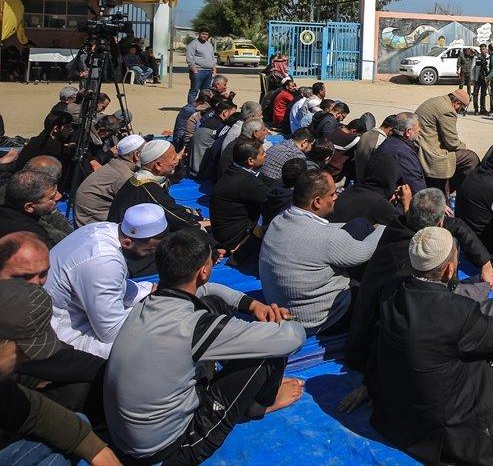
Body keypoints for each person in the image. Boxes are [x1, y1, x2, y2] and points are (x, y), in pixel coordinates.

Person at [104, 226, 306, 464]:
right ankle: (260, 405)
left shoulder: (147, 303)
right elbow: (293, 337)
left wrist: (252, 306)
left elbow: (208, 291)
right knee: (268, 353)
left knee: (211, 303)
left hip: (127, 437)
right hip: (172, 447)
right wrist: (278, 317)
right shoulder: (194, 327)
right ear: (203, 271)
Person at [368, 226, 493, 466]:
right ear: (449, 269)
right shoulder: (457, 313)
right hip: (442, 428)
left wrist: (369, 384)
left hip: (397, 415)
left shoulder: (391, 289)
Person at [0, 279, 120, 465]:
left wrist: (99, 452)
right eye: (22, 352)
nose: (28, 360)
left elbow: (36, 411)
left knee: (76, 429)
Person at [0, 233, 107, 418]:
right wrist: (109, 370)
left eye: (43, 274)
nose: (36, 284)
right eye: (23, 277)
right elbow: (54, 359)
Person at [344, 188, 493, 373]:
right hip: (378, 346)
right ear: (438, 223)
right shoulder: (413, 258)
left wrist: (485, 262)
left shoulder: (400, 224)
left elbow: (456, 225)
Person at [259, 171, 385, 334]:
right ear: (317, 202)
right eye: (332, 194)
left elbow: (324, 231)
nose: (336, 197)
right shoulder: (328, 239)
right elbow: (365, 251)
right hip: (321, 320)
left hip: (282, 306)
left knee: (360, 225)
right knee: (377, 291)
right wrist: (383, 228)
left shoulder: (279, 220)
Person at [45, 204, 167, 357]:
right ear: (128, 243)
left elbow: (117, 286)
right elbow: (111, 332)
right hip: (65, 335)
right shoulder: (103, 261)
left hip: (84, 312)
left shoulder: (106, 229)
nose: (150, 255)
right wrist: (153, 309)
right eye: (148, 250)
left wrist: (149, 293)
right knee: (156, 338)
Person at [0, 157, 71, 253]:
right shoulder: (18, 210)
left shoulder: (19, 193)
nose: (59, 196)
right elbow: (64, 241)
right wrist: (52, 208)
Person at [108, 139, 205, 244]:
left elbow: (175, 177)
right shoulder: (148, 188)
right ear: (158, 165)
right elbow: (178, 218)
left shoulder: (141, 177)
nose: (177, 160)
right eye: (173, 158)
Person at [210, 137, 270, 266]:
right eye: (262, 153)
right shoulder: (247, 182)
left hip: (223, 232)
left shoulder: (234, 171)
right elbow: (273, 201)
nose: (265, 155)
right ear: (250, 161)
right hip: (234, 238)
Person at [73, 133, 144, 227]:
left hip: (85, 218)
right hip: (93, 226)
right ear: (137, 155)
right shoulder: (124, 176)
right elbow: (137, 205)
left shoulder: (115, 164)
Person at [415, 89, 479, 193]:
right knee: (471, 158)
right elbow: (452, 143)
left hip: (421, 143)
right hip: (428, 151)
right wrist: (464, 146)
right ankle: (460, 193)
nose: (459, 112)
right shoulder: (447, 110)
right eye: (461, 109)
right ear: (457, 103)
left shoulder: (438, 100)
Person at [188, 99, 236, 179]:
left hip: (192, 167)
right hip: (202, 172)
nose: (233, 117)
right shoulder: (219, 127)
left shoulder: (208, 120)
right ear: (225, 113)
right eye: (232, 114)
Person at [352, 115, 390, 185]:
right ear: (391, 129)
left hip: (358, 176)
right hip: (368, 181)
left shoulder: (366, 134)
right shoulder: (381, 141)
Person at [184, 29, 217, 104]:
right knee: (194, 90)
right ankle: (190, 106)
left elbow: (212, 57)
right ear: (199, 34)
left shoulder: (209, 45)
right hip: (198, 71)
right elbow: (189, 58)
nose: (204, 36)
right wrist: (194, 70)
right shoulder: (193, 44)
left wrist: (214, 69)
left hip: (208, 71)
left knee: (205, 91)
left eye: (206, 34)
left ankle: (202, 106)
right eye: (203, 34)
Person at [471, 43, 490, 116]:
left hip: (484, 78)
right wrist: (472, 79)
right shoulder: (476, 57)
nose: (482, 51)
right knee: (475, 94)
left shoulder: (488, 57)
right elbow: (472, 68)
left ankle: (483, 108)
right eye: (481, 49)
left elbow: (489, 67)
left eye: (484, 49)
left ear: (486, 49)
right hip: (477, 78)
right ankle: (476, 109)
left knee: (483, 94)